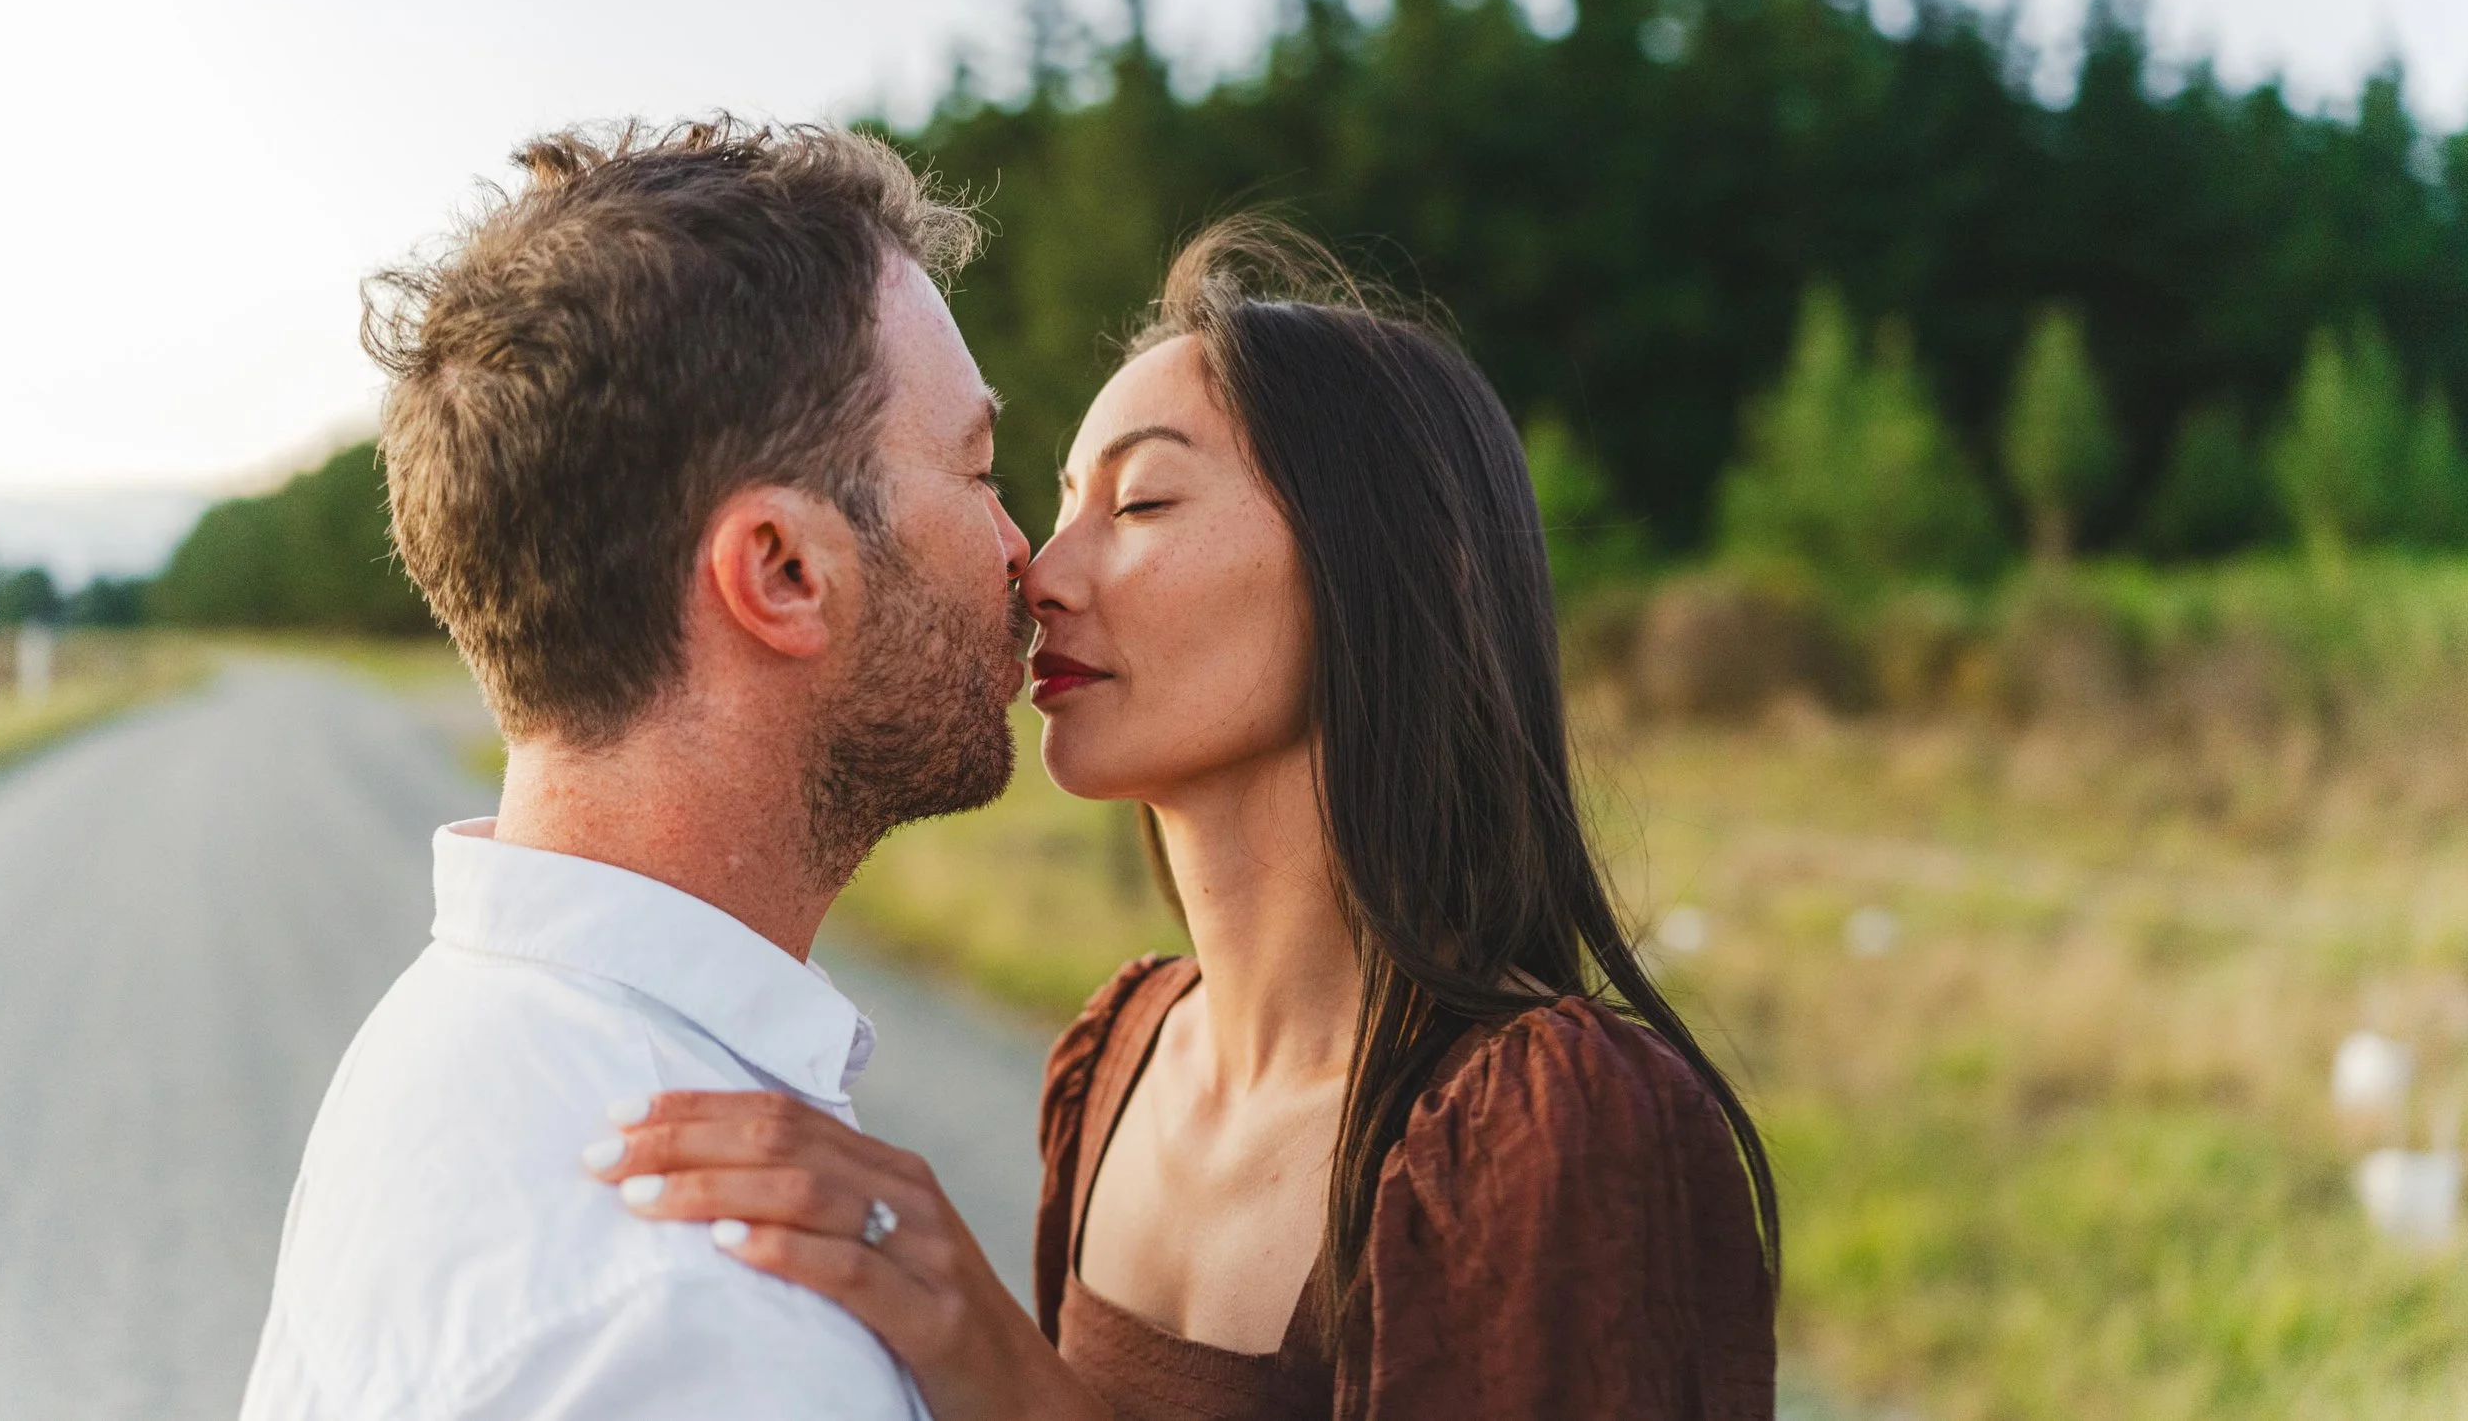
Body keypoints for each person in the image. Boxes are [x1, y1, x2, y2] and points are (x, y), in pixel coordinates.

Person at [592, 219, 1780, 1419]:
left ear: (1401, 564)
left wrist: (1008, 1374)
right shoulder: (1113, 1058)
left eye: (1143, 500)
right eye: (1057, 502)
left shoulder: (1551, 1132)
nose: (1039, 572)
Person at [239, 120, 1083, 1420]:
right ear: (785, 571)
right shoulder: (708, 1329)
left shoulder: (470, 1031)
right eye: (976, 469)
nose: (1024, 550)